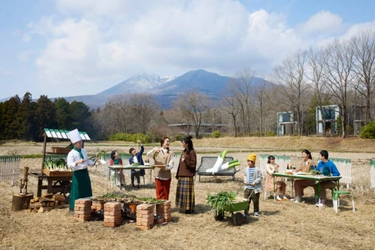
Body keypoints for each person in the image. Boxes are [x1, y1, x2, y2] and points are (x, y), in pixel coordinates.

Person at [66, 129, 95, 212]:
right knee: (77, 190)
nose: (80, 143)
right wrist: (77, 162)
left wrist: (93, 163)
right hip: (77, 173)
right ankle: (74, 208)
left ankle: (87, 206)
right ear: (74, 143)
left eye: (81, 142)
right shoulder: (71, 153)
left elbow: (87, 161)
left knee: (86, 189)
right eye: (79, 142)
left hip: (85, 172)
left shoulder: (83, 151)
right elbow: (69, 164)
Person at [175, 136, 197, 214]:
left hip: (188, 175)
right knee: (182, 193)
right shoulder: (184, 151)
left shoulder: (192, 152)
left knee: (188, 193)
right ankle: (183, 206)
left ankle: (189, 208)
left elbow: (193, 164)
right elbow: (180, 164)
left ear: (187, 144)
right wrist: (178, 174)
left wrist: (186, 160)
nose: (182, 144)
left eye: (183, 142)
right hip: (182, 174)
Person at [243, 153, 263, 218]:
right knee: (246, 201)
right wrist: (245, 181)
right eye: (248, 161)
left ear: (253, 162)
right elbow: (245, 176)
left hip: (255, 188)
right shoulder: (246, 169)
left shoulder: (257, 169)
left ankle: (256, 211)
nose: (248, 163)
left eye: (250, 161)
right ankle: (246, 212)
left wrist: (255, 182)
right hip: (247, 188)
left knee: (255, 201)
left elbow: (261, 177)